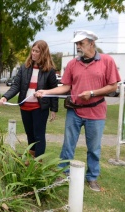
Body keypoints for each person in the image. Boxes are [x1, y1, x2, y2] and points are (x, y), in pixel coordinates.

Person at [35, 30, 120, 192]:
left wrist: (92, 93)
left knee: (94, 147)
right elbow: (66, 87)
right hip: (74, 111)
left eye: (81, 43)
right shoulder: (73, 64)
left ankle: (92, 177)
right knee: (68, 145)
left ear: (92, 43)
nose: (78, 47)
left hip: (96, 112)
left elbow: (113, 86)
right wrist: (45, 92)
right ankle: (63, 172)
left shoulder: (107, 61)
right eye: (77, 44)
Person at [0, 40, 58, 159]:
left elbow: (54, 90)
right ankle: (32, 157)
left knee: (38, 135)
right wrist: (5, 97)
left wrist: (54, 109)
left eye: (37, 51)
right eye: (33, 50)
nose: (33, 53)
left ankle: (38, 161)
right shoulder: (24, 68)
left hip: (40, 108)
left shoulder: (49, 70)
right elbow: (16, 85)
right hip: (25, 107)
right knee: (29, 134)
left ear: (43, 53)